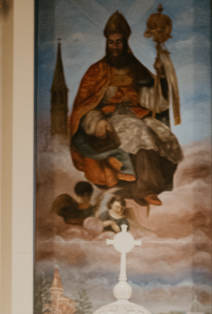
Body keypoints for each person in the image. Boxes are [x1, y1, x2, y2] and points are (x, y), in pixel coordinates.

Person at [69, 11, 183, 208]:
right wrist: (96, 120)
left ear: (125, 43)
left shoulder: (135, 67)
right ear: (107, 44)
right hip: (108, 117)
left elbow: (153, 97)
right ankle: (146, 189)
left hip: (137, 113)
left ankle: (153, 185)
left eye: (119, 42)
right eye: (112, 42)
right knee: (139, 132)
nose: (115, 46)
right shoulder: (96, 71)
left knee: (163, 134)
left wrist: (161, 77)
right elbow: (84, 105)